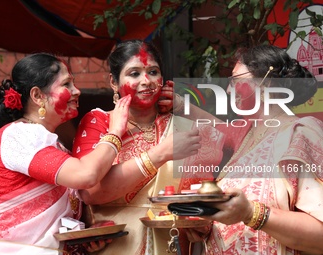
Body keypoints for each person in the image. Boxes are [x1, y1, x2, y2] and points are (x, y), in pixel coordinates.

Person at [72, 39, 225, 254]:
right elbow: (89, 192)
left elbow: (235, 139)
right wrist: (159, 154)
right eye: (134, 74)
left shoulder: (180, 126)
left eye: (153, 71)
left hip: (173, 245)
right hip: (117, 246)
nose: (147, 80)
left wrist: (184, 107)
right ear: (114, 82)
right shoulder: (100, 122)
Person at [0, 53, 132, 255]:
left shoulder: (55, 147)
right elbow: (86, 175)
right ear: (37, 96)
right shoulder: (19, 136)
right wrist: (115, 131)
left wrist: (85, 236)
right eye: (67, 84)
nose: (76, 91)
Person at [185, 45, 323, 254]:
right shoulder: (247, 135)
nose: (229, 90)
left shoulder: (300, 133)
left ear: (265, 83)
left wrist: (251, 213)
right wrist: (207, 226)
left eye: (236, 81)